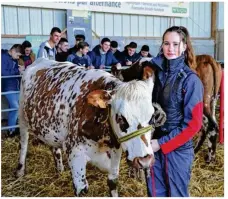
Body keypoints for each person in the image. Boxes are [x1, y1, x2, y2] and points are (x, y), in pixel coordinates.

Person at [145, 26, 204, 197]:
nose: (170, 49)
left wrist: (161, 143)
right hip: (152, 145)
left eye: (175, 44)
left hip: (177, 150)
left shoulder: (191, 81)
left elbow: (193, 125)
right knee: (155, 193)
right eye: (166, 43)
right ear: (162, 45)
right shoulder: (153, 74)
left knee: (176, 193)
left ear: (184, 46)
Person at [1, 44, 24, 137]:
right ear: (13, 51)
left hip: (16, 87)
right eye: (18, 55)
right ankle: (11, 129)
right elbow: (3, 72)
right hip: (8, 87)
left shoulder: (13, 59)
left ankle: (12, 130)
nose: (18, 57)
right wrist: (18, 71)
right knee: (15, 108)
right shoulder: (3, 57)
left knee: (13, 109)